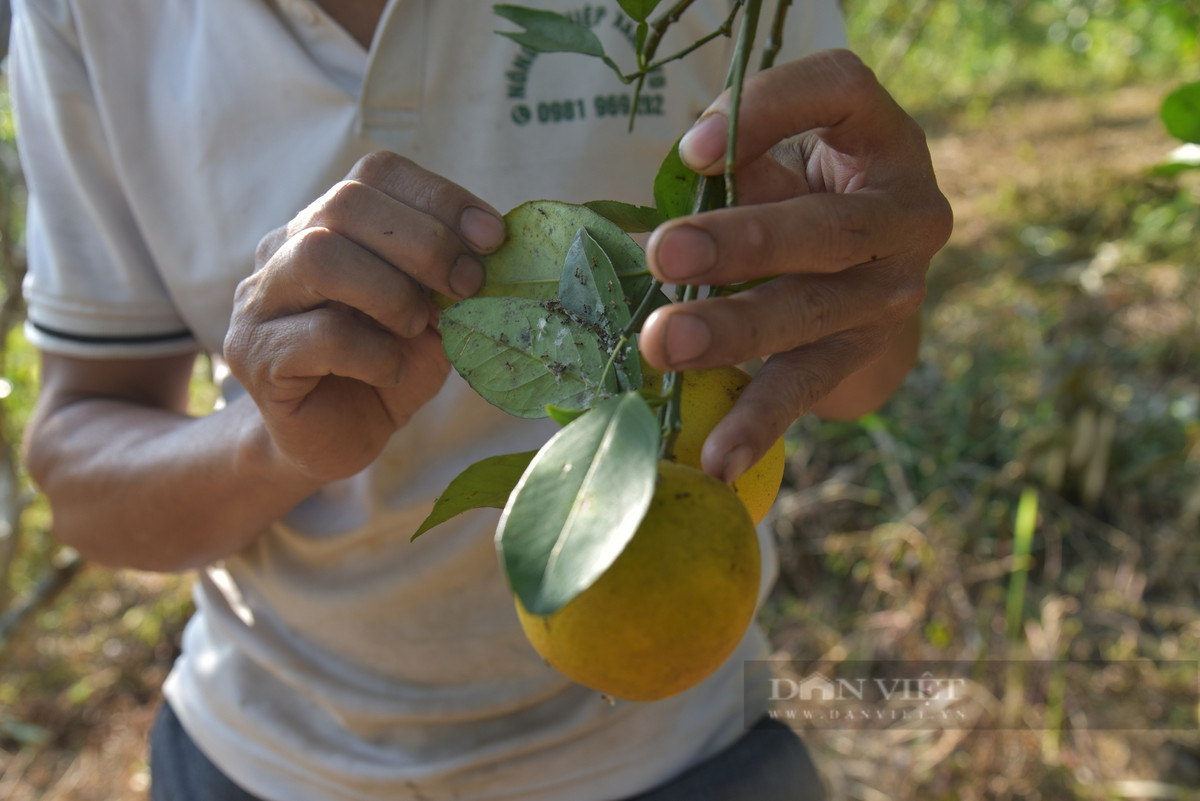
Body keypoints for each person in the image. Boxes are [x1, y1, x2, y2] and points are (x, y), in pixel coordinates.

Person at [11, 1, 951, 799]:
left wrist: (880, 278)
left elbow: (856, 371)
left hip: (682, 752)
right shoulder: (86, 17)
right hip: (261, 757)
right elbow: (82, 477)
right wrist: (270, 441)